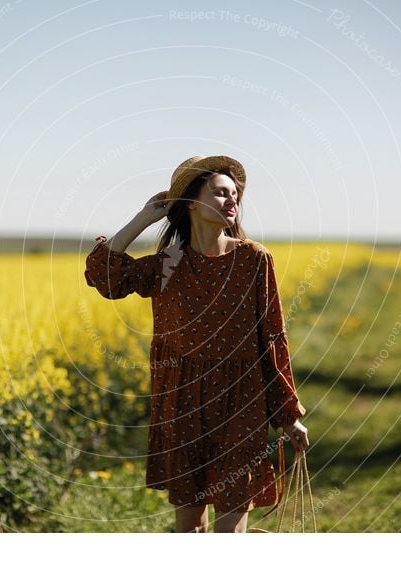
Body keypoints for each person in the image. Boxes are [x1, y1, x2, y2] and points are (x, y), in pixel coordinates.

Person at [84, 155, 310, 533]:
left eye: (235, 194)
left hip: (241, 403)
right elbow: (104, 276)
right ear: (191, 202)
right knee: (189, 530)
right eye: (220, 193)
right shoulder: (168, 263)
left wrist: (288, 415)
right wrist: (144, 218)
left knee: (230, 529)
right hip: (181, 403)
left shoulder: (254, 260)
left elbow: (272, 338)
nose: (231, 200)